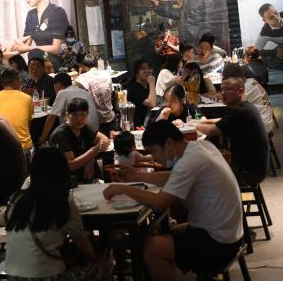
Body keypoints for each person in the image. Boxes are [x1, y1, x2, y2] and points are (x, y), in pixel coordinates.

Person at [102, 120, 244, 281]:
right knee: (167, 231)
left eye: (155, 151)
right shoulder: (201, 147)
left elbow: (159, 203)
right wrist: (138, 176)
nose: (155, 157)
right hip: (231, 235)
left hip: (219, 244)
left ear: (169, 143)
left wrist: (121, 188)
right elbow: (175, 177)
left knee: (151, 249)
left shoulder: (189, 161)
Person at [4, 148, 104, 280]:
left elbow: (2, 220)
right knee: (98, 267)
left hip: (13, 275)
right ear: (62, 172)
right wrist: (97, 260)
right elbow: (82, 242)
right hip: (48, 276)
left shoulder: (16, 198)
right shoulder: (63, 202)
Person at [195, 69, 269, 185]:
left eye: (228, 89)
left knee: (200, 174)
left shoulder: (239, 112)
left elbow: (212, 131)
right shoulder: (245, 107)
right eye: (221, 90)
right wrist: (205, 121)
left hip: (248, 172)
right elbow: (224, 121)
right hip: (253, 168)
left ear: (240, 92)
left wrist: (193, 125)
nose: (223, 93)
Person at [11, 0, 70, 70]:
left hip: (58, 62)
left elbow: (56, 49)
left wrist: (29, 48)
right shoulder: (31, 15)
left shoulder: (57, 12)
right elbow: (25, 45)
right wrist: (14, 45)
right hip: (38, 62)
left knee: (34, 54)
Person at [48, 98, 110, 184]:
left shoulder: (83, 127)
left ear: (87, 115)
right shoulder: (61, 134)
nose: (79, 118)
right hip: (66, 181)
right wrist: (93, 151)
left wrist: (90, 159)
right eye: (74, 114)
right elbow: (70, 165)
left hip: (85, 177)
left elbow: (105, 140)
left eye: (83, 114)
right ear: (67, 115)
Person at [46, 72, 99, 146]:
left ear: (57, 85)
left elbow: (51, 118)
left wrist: (43, 138)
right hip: (95, 132)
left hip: (82, 134)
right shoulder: (84, 91)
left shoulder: (62, 92)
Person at [0, 68, 34, 157]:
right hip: (23, 148)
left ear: (2, 83)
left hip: (0, 149)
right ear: (16, 81)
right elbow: (28, 124)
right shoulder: (27, 98)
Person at [225, 63, 275, 134]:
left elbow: (230, 102)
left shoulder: (245, 88)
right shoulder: (251, 81)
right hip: (266, 121)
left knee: (228, 125)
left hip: (262, 126)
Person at [75, 55, 116, 136]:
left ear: (83, 66)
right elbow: (111, 93)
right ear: (96, 64)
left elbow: (80, 102)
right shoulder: (107, 74)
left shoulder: (81, 79)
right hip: (110, 117)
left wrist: (80, 72)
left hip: (95, 122)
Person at [127, 59, 157, 127]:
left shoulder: (148, 85)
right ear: (136, 73)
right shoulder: (134, 88)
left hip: (149, 122)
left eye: (149, 68)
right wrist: (152, 84)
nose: (147, 71)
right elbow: (152, 104)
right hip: (138, 125)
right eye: (143, 69)